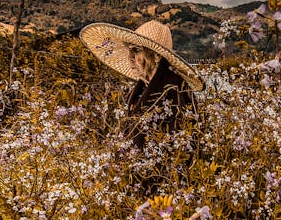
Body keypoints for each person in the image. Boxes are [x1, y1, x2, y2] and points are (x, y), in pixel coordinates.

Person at [79, 19, 203, 151]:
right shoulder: (141, 88)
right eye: (129, 50)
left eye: (136, 50)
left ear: (156, 56)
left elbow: (180, 146)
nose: (130, 57)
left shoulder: (174, 89)